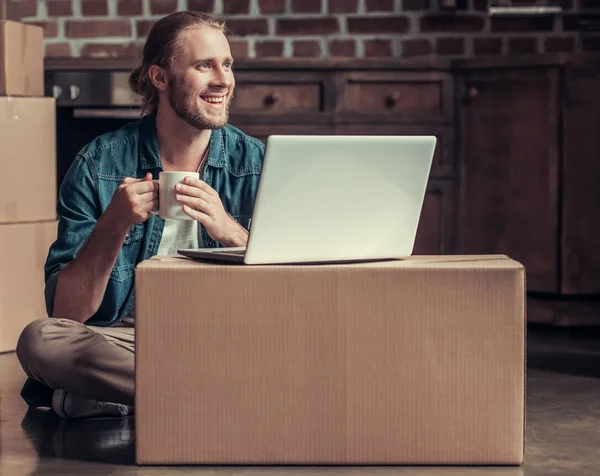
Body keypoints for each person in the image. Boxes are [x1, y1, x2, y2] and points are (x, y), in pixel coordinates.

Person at [15, 11, 264, 419]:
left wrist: (233, 233)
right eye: (205, 65)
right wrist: (112, 225)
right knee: (40, 340)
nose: (223, 79)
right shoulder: (100, 163)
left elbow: (294, 293)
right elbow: (67, 315)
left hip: (220, 337)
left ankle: (122, 396)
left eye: (227, 64)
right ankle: (213, 393)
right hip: (124, 340)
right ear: (160, 78)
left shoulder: (254, 163)